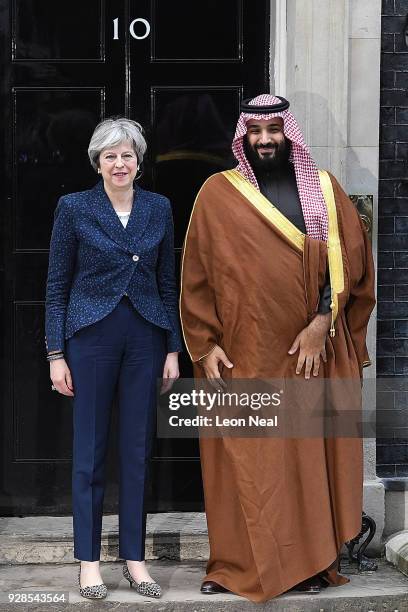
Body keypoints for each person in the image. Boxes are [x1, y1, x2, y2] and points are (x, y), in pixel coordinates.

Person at [179, 94, 375, 602]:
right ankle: (231, 565)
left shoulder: (325, 191)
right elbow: (196, 275)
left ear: (290, 134)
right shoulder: (217, 194)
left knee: (306, 459)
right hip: (242, 353)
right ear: (243, 137)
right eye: (256, 131)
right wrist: (204, 345)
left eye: (275, 130)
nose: (266, 139)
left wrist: (322, 321)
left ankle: (310, 564)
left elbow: (350, 266)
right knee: (244, 461)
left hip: (311, 354)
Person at [45, 117, 182, 600]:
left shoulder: (159, 208)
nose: (119, 163)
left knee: (137, 451)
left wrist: (171, 347)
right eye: (110, 156)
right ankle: (88, 564)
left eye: (127, 155)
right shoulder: (74, 208)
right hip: (91, 339)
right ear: (97, 163)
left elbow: (168, 281)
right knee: (90, 452)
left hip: (145, 337)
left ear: (139, 162)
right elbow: (57, 285)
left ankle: (135, 560)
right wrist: (55, 354)